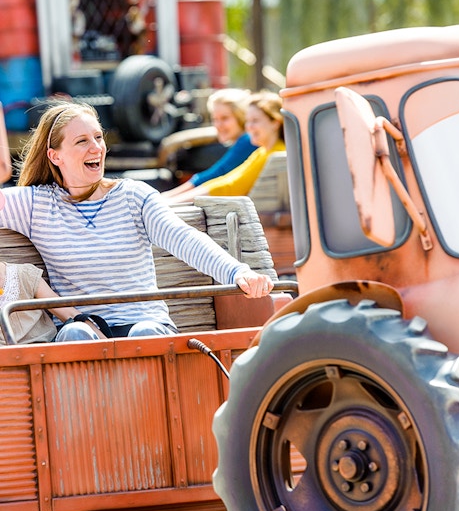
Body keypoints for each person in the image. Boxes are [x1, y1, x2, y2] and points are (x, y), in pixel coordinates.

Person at [0, 101, 273, 341]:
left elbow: (184, 238)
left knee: (144, 333)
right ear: (55, 156)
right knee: (74, 334)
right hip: (83, 330)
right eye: (82, 141)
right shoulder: (37, 204)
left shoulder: (133, 195)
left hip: (146, 324)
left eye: (98, 137)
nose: (96, 148)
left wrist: (238, 272)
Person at [167, 90, 285, 203]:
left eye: (225, 118)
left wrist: (169, 201)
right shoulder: (261, 151)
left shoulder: (257, 146)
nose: (249, 127)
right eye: (215, 119)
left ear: (275, 123)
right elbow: (227, 179)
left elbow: (229, 183)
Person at [162, 88, 256, 199]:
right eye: (215, 119)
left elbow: (217, 174)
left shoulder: (248, 140)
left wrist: (165, 197)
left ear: (241, 117)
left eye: (225, 118)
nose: (218, 125)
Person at [0, 260, 107, 345]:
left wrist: (109, 345)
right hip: (7, 362)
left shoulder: (23, 274)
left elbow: (69, 314)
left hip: (47, 352)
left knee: (75, 329)